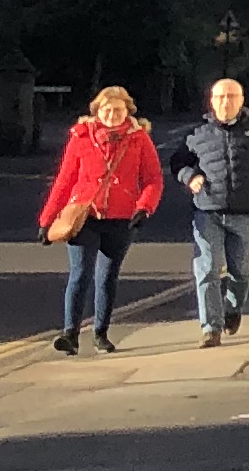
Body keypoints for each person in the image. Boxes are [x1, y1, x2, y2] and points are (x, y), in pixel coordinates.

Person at [40, 86, 162, 354]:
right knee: (80, 273)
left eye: (118, 110)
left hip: (121, 219)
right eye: (106, 110)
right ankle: (69, 334)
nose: (112, 115)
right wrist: (48, 218)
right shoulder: (81, 137)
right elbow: (64, 180)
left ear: (127, 112)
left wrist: (144, 207)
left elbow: (153, 179)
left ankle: (100, 334)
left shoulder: (139, 139)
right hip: (85, 216)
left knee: (107, 277)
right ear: (97, 111)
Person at [170, 76, 249, 345]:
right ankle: (210, 328)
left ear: (241, 100)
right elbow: (178, 163)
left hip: (245, 212)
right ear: (212, 101)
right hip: (207, 211)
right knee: (208, 269)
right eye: (220, 97)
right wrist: (191, 177)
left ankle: (232, 309)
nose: (226, 102)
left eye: (231, 97)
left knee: (243, 272)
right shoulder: (197, 133)